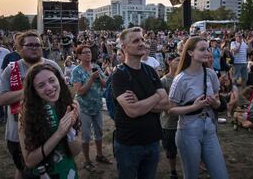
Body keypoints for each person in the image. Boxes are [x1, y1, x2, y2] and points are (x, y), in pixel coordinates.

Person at [0, 31, 63, 179]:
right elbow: (1, 99)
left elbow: (63, 92)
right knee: (25, 169)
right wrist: (30, 91)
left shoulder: (51, 65)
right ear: (20, 48)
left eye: (38, 45)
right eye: (30, 45)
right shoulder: (11, 69)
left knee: (52, 170)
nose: (34, 48)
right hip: (19, 133)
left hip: (51, 129)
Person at [111, 27, 169, 179]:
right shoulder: (119, 74)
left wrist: (142, 103)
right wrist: (156, 96)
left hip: (153, 141)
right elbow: (133, 111)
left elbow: (167, 102)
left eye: (142, 39)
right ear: (124, 47)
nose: (142, 43)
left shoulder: (150, 70)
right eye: (136, 40)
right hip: (129, 144)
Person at [168, 36, 229, 179]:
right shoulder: (180, 79)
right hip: (188, 130)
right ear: (190, 53)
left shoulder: (211, 74)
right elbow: (170, 110)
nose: (207, 52)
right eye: (202, 49)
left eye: (207, 48)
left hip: (209, 127)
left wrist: (214, 103)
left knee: (221, 175)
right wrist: (194, 106)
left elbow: (218, 102)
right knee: (191, 175)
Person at [19, 63, 82, 178]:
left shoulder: (70, 105)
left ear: (59, 80)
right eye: (41, 85)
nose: (49, 87)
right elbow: (29, 161)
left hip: (68, 172)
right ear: (34, 91)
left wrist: (70, 131)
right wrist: (59, 133)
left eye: (52, 80)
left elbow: (76, 151)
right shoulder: (26, 114)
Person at [71, 45, 111, 173]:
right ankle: (87, 160)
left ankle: (99, 155)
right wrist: (92, 78)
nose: (88, 54)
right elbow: (79, 91)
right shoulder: (76, 71)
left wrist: (99, 78)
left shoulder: (96, 67)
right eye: (84, 53)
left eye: (89, 52)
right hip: (84, 108)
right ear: (78, 56)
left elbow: (106, 85)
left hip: (97, 106)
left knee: (99, 132)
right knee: (86, 135)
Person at [160, 53, 180, 179]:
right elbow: (162, 103)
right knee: (171, 149)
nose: (179, 62)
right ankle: (173, 171)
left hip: (184, 120)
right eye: (177, 60)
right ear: (169, 61)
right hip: (169, 122)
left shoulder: (183, 78)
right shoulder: (164, 81)